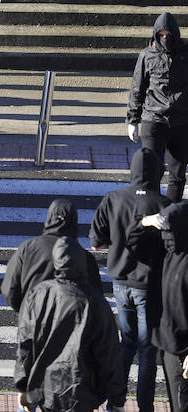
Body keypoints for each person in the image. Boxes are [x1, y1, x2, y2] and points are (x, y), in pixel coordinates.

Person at [89, 147, 171, 412]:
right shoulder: (164, 205)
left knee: (126, 343)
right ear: (159, 172)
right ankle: (145, 406)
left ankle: (116, 402)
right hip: (149, 286)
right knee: (147, 351)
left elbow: (96, 241)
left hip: (120, 283)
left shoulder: (113, 199)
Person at [14, 236, 126, 412]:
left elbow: (26, 344)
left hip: (46, 388)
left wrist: (23, 385)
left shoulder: (38, 295)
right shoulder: (94, 301)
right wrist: (117, 398)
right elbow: (109, 353)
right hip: (83, 391)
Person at [127, 11, 188, 202]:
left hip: (181, 121)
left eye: (168, 35)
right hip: (153, 119)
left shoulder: (186, 53)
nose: (165, 38)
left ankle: (172, 214)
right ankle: (150, 210)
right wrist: (133, 120)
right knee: (151, 171)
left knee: (177, 175)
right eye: (161, 35)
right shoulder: (147, 55)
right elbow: (138, 88)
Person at [1, 198, 102, 313]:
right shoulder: (84, 257)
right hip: (72, 321)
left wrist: (25, 310)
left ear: (49, 217)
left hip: (33, 318)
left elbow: (10, 289)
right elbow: (96, 298)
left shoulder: (27, 248)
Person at [140, 203, 188, 412]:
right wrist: (144, 221)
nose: (167, 237)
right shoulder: (162, 253)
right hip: (169, 344)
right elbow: (125, 238)